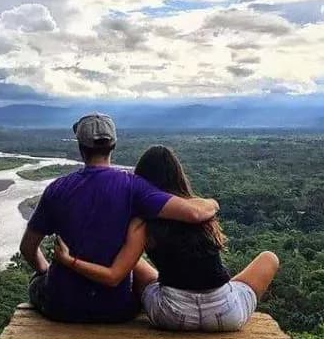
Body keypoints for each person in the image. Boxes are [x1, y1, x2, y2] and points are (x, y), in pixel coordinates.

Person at [53, 144, 279, 331]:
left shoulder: (142, 221)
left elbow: (114, 276)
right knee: (269, 258)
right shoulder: (198, 209)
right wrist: (211, 203)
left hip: (172, 315)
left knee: (133, 262)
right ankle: (224, 293)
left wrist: (69, 260)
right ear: (178, 175)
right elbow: (210, 204)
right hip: (225, 314)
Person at [19, 114, 220, 323]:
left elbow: (28, 248)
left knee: (38, 281)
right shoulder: (134, 187)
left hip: (60, 306)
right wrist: (213, 202)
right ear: (113, 145)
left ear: (80, 148)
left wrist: (46, 271)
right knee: (134, 266)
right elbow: (194, 213)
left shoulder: (57, 189)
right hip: (115, 310)